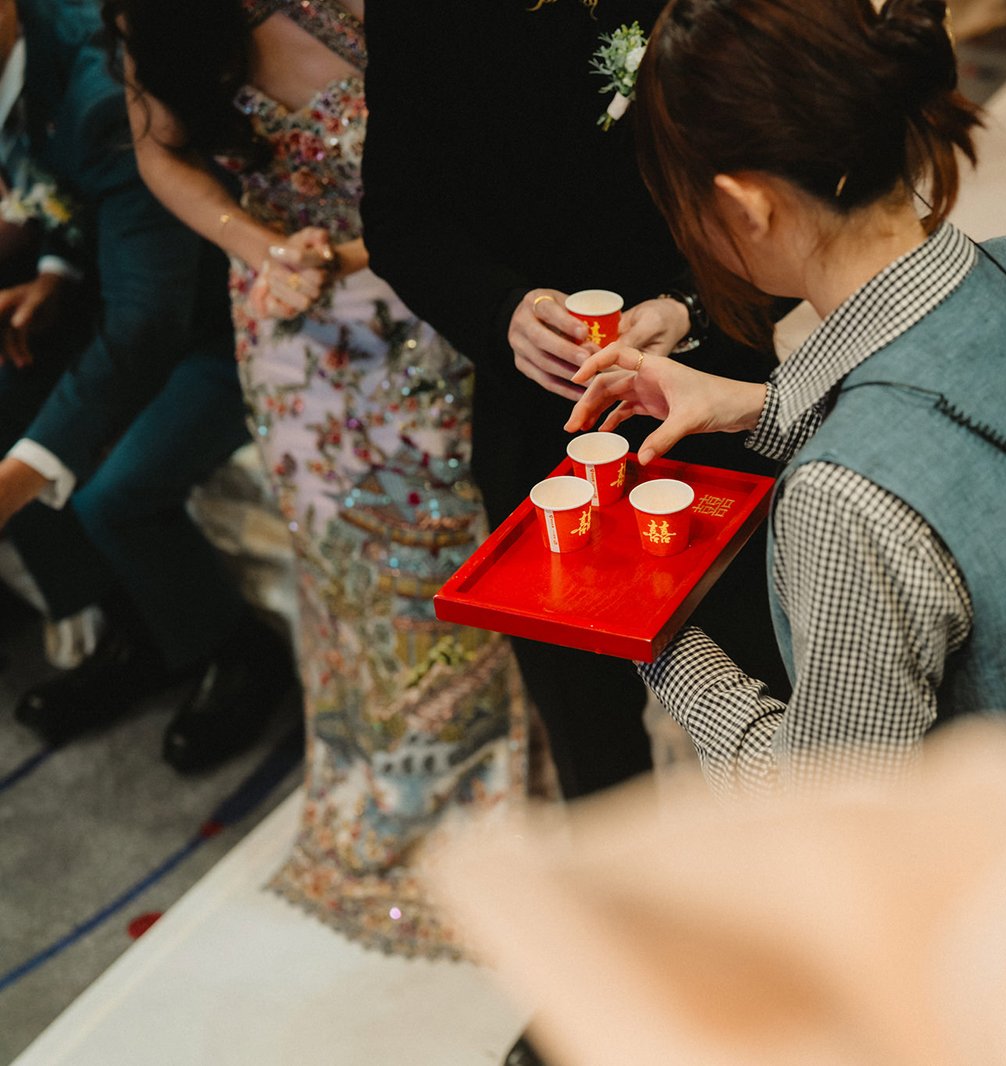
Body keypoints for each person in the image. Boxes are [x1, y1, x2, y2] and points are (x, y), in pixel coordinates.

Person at [568, 0, 1006, 892]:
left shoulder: (843, 503)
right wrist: (754, 405)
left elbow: (829, 815)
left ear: (747, 206)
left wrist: (654, 630)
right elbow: (970, 459)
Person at [106, 0, 549, 957]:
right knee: (351, 576)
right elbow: (160, 152)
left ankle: (505, 786)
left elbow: (475, 144)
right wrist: (259, 246)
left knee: (457, 552)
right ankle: (395, 789)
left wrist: (348, 253)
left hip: (425, 300)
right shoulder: (163, 16)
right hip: (294, 338)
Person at [359, 0, 791, 811]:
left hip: (718, 373)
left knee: (780, 678)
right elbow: (399, 216)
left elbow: (785, 166)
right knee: (590, 736)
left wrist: (691, 306)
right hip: (544, 407)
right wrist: (503, 313)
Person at [0, 0, 290, 771]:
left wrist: (12, 485)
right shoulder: (24, 56)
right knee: (5, 396)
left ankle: (238, 652)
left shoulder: (97, 87)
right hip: (123, 289)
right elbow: (69, 195)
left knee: (114, 492)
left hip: (215, 321)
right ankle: (136, 632)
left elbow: (148, 322)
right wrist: (56, 272)